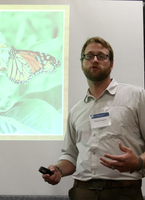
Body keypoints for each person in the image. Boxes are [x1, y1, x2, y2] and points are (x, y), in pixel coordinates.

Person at [41, 36, 145, 200]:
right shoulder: (77, 110)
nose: (95, 60)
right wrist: (58, 170)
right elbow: (70, 155)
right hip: (82, 192)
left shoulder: (136, 96)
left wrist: (139, 161)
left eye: (101, 56)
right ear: (82, 64)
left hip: (123, 193)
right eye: (89, 56)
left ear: (111, 64)